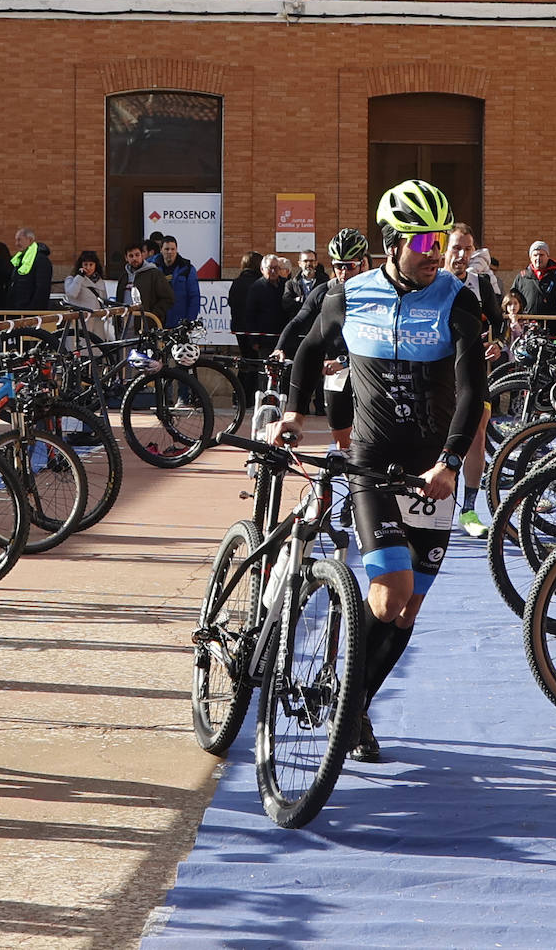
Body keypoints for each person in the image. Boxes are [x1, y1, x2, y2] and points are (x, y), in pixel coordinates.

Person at [271, 179, 485, 763]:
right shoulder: (349, 295)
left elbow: (472, 390)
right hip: (371, 463)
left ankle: (351, 702)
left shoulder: (455, 299)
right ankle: (348, 709)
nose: (433, 250)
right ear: (391, 242)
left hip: (430, 472)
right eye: (421, 238)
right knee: (391, 594)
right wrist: (293, 410)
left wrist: (449, 462)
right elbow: (311, 349)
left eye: (438, 238)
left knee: (409, 607)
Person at [273, 228, 371, 451]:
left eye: (350, 266)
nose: (343, 272)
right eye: (338, 266)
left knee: (374, 443)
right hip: (337, 372)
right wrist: (280, 348)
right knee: (342, 441)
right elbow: (300, 326)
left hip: (369, 372)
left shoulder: (379, 294)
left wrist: (345, 361)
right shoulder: (325, 293)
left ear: (364, 263)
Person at [446, 224, 502, 538]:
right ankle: (435, 503)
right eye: (456, 247)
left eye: (468, 249)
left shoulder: (479, 282)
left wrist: (500, 344)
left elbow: (499, 321)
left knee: (477, 435)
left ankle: (468, 509)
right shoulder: (433, 282)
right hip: (440, 370)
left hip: (473, 370)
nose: (462, 255)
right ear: (444, 249)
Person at [228, 252, 263, 400]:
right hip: (254, 328)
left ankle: (238, 394)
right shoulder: (259, 283)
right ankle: (247, 396)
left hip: (238, 327)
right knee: (254, 363)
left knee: (244, 360)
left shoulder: (237, 282)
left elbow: (231, 302)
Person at [116, 241, 173, 327]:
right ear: (126, 258)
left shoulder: (154, 273)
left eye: (137, 255)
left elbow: (168, 298)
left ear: (142, 255)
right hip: (124, 327)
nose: (134, 258)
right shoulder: (123, 276)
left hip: (146, 328)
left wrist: (152, 316)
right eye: (131, 256)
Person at [244, 254, 289, 358]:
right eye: (270, 268)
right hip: (265, 341)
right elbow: (250, 315)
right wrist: (254, 340)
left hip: (284, 339)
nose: (273, 271)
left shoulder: (286, 285)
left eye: (276, 268)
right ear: (262, 269)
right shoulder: (256, 288)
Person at [152, 235, 201, 328]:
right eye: (166, 249)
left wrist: (190, 321)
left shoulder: (187, 269)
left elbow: (194, 297)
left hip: (179, 322)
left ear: (176, 250)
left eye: (172, 249)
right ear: (161, 250)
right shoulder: (152, 268)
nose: (170, 252)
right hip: (157, 320)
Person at [64, 249, 113, 340]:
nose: (88, 267)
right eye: (85, 264)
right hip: (80, 321)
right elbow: (71, 294)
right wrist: (79, 276)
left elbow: (104, 299)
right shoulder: (72, 279)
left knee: (97, 349)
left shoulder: (100, 281)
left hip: (97, 322)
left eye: (91, 264)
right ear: (81, 265)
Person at [511, 240, 556, 318]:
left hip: (551, 324)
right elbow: (513, 297)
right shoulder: (522, 277)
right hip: (527, 323)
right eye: (535, 255)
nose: (538, 258)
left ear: (548, 257)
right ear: (530, 258)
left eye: (541, 255)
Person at [8, 227, 53, 310]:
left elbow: (42, 288)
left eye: (19, 240)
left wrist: (33, 310)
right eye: (16, 240)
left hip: (30, 312)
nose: (16, 243)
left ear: (30, 240)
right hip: (18, 309)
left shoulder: (41, 260)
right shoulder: (19, 259)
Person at [282, 250, 329, 318]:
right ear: (299, 263)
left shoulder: (324, 282)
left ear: (316, 263)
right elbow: (286, 304)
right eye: (305, 261)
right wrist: (300, 300)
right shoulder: (291, 284)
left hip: (317, 321)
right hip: (299, 322)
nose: (309, 264)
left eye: (311, 261)